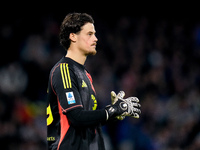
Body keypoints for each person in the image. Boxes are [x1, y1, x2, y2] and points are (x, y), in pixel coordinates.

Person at [46, 12, 141, 150]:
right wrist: (110, 111)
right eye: (89, 34)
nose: (95, 39)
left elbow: (88, 121)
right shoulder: (64, 70)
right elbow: (76, 117)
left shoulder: (85, 74)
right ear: (73, 36)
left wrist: (114, 113)